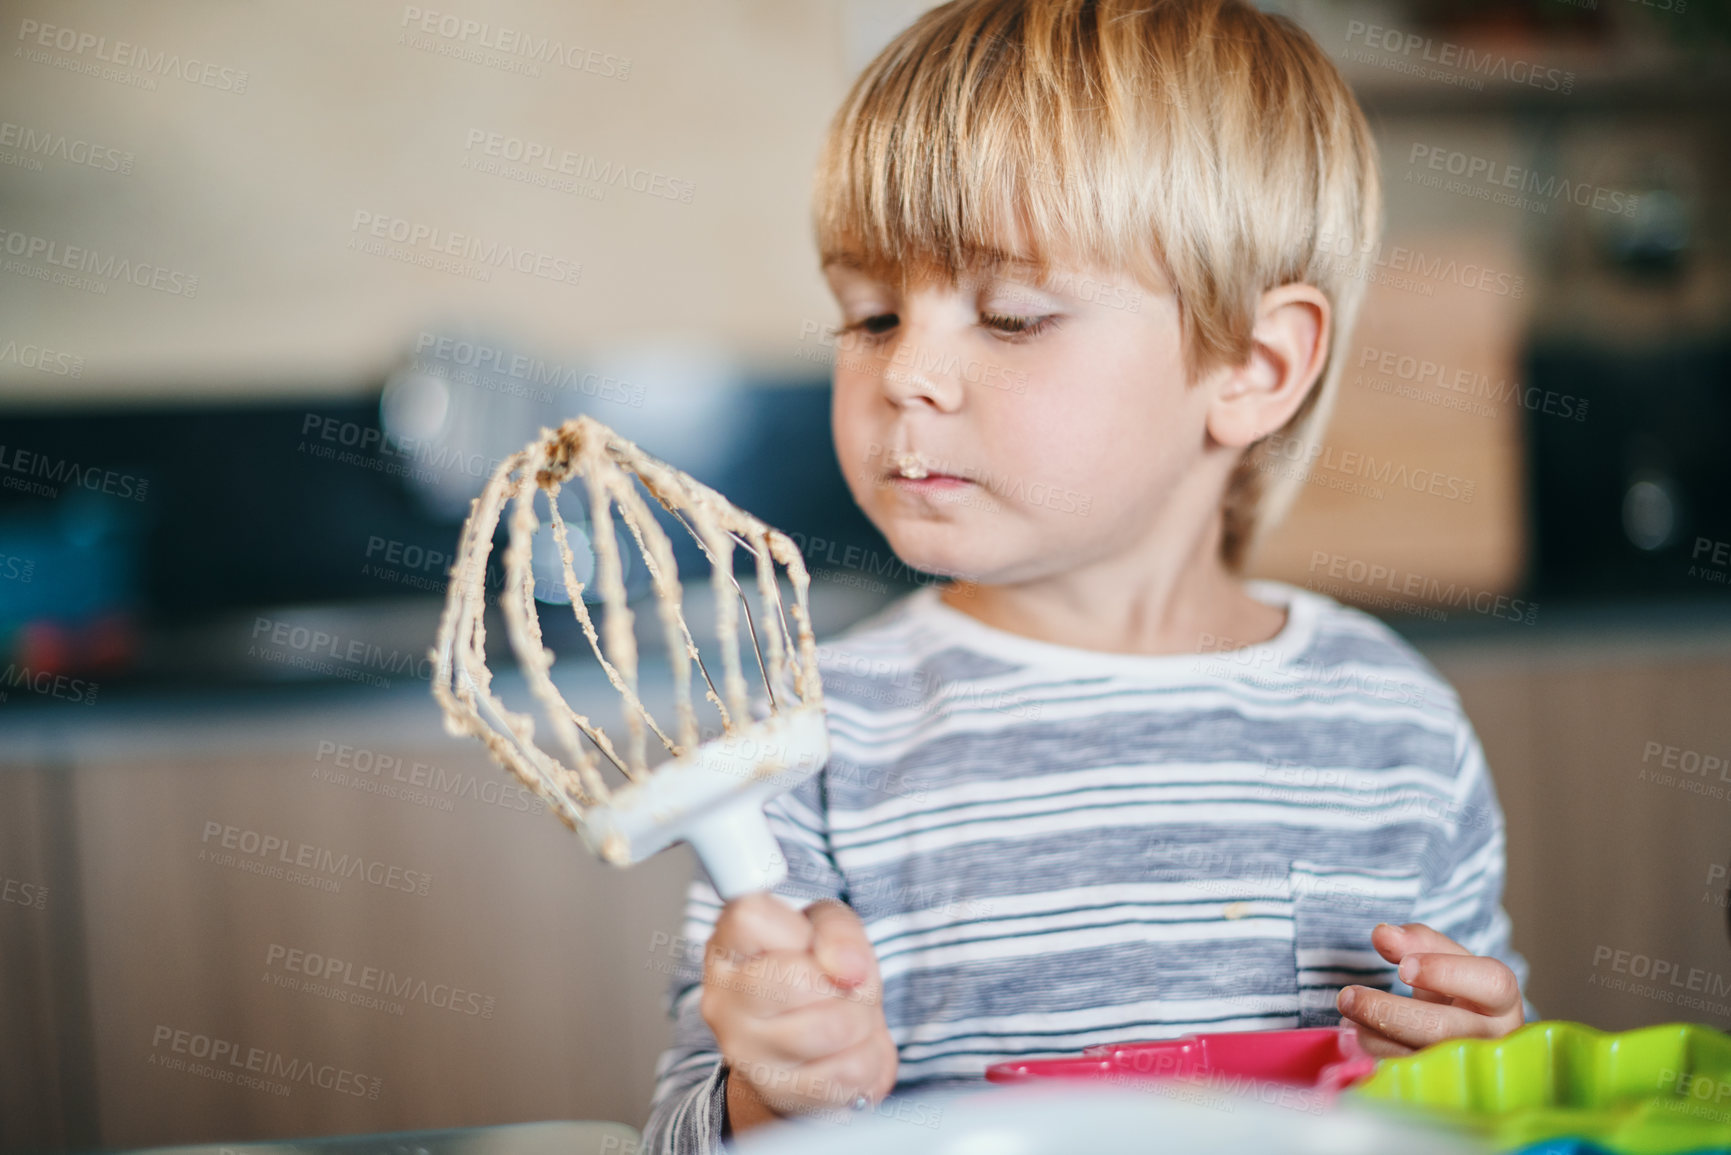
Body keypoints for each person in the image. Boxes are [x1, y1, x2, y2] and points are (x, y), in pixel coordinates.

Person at [643, 1, 1530, 1149]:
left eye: (1010, 318)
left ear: (1253, 367)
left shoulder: (1396, 728)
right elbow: (681, 1130)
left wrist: (1484, 1070)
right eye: (869, 316)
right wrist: (779, 1090)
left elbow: (1501, 1109)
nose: (908, 370)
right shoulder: (811, 737)